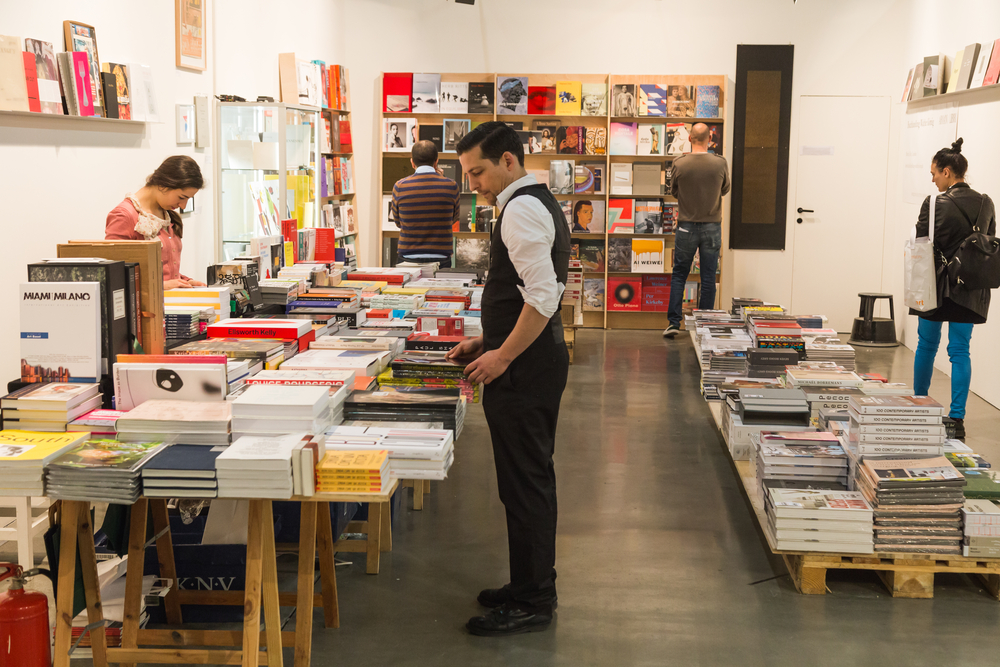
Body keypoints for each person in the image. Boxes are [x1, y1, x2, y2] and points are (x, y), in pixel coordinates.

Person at [448, 121, 570, 637]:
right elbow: (523, 293)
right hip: (527, 360)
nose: (472, 183)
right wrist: (487, 340)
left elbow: (543, 295)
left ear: (509, 161)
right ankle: (531, 583)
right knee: (526, 479)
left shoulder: (520, 208)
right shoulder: (529, 200)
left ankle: (533, 601)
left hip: (525, 369)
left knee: (525, 484)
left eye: (478, 171)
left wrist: (501, 358)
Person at [910, 138, 996, 441]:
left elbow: (921, 242)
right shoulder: (986, 202)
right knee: (960, 350)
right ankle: (956, 419)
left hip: (934, 286)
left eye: (934, 173)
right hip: (970, 288)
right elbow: (988, 244)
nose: (932, 179)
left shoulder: (934, 203)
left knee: (926, 345)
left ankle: (920, 405)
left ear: (947, 172)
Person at [663, 123, 730, 338]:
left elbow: (673, 190)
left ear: (690, 138)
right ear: (709, 138)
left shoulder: (679, 163)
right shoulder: (720, 163)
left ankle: (674, 323)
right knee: (709, 276)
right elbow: (725, 189)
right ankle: (705, 325)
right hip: (712, 226)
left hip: (686, 226)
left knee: (679, 275)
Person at [105, 155, 206, 289]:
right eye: (182, 197)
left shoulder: (166, 214)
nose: (183, 206)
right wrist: (161, 285)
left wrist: (184, 281)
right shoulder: (124, 216)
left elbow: (163, 270)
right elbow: (114, 275)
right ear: (164, 184)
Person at [391, 140, 460, 265]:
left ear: (412, 162)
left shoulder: (399, 186)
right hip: (441, 256)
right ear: (436, 161)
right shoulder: (451, 186)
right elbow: (453, 219)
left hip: (408, 256)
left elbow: (398, 222)